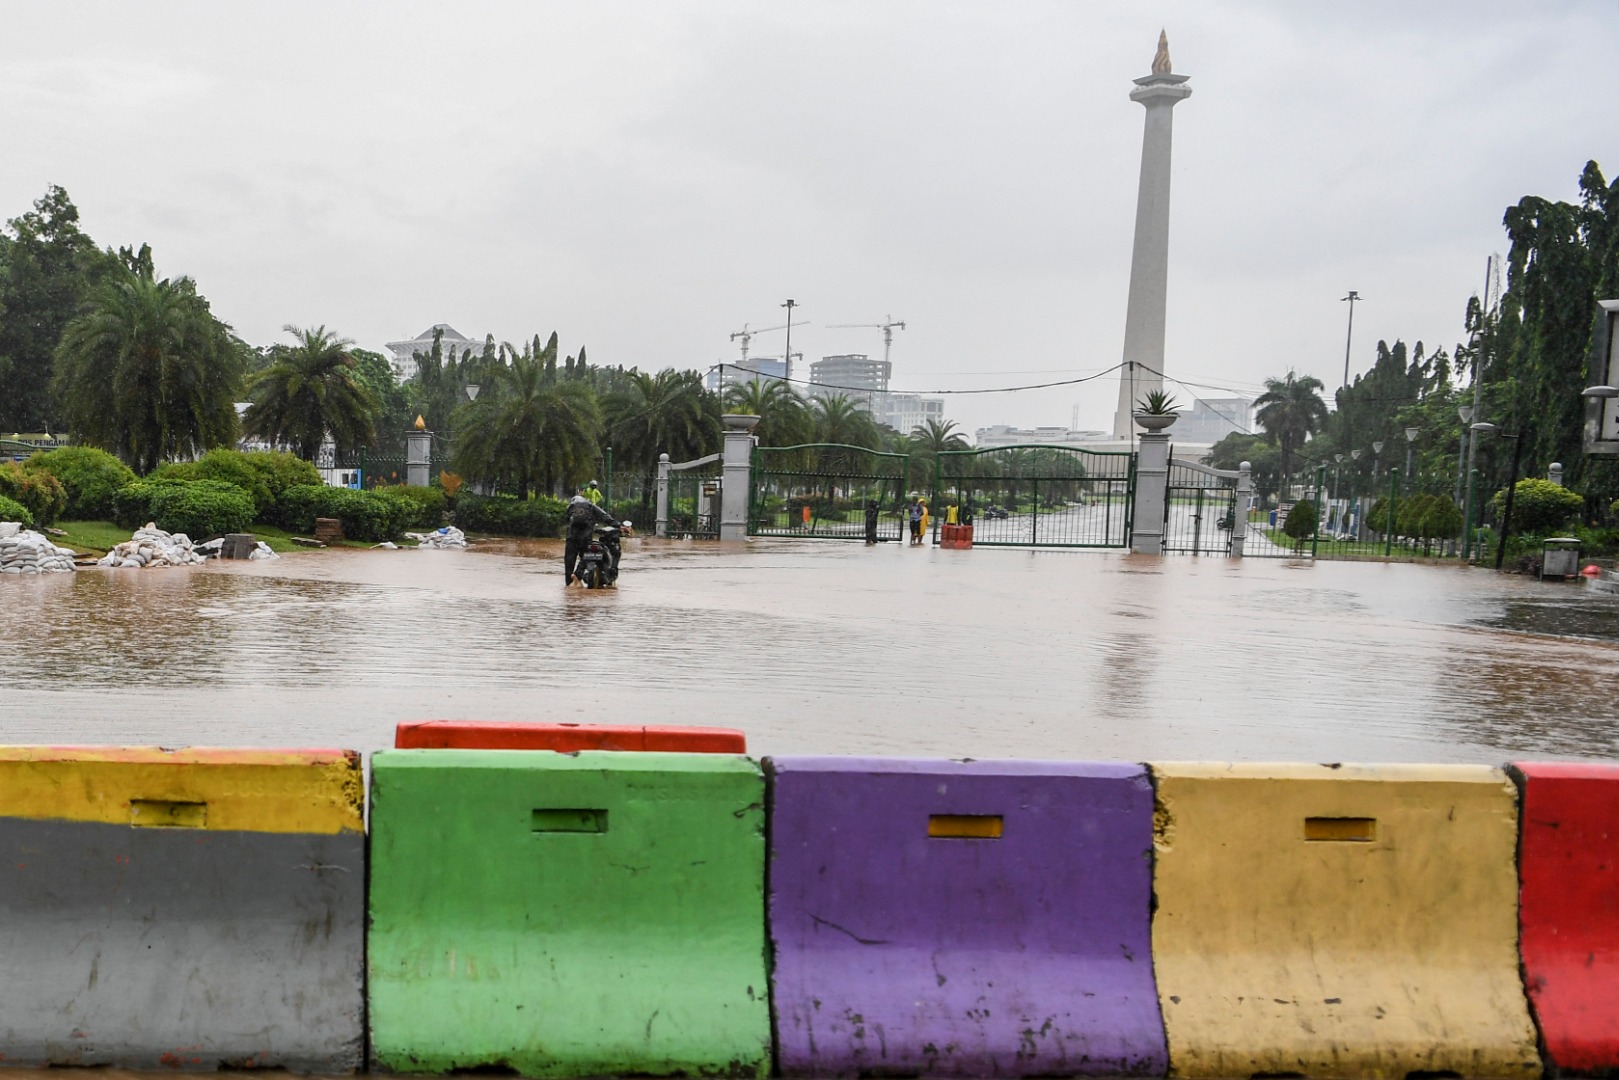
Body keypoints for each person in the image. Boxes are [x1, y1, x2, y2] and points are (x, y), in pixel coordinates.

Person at [564, 486, 617, 584]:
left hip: (571, 538)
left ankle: (569, 584)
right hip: (585, 538)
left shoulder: (570, 507)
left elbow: (566, 519)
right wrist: (617, 524)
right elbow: (604, 516)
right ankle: (578, 575)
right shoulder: (591, 505)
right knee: (587, 557)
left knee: (569, 563)